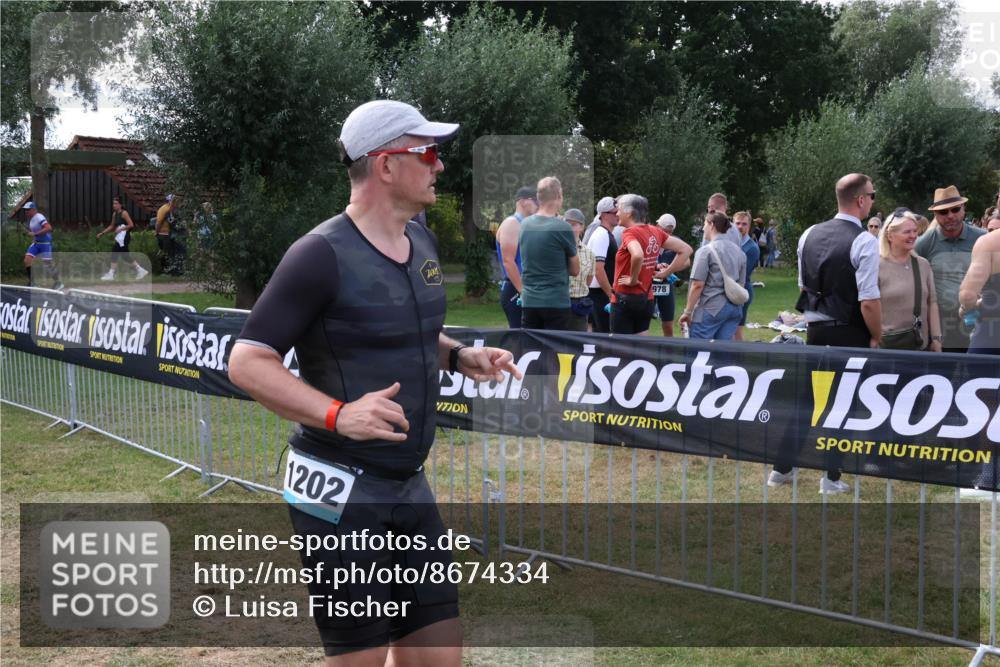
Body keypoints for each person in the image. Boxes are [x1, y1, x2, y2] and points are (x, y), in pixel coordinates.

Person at [228, 100, 520, 666]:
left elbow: (401, 327)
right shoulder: (318, 254)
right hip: (336, 491)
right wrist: (339, 413)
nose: (439, 166)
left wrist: (460, 356)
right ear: (385, 165)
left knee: (438, 654)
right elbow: (248, 360)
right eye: (428, 152)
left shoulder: (423, 242)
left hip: (407, 483)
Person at [770, 173, 882, 495]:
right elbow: (870, 301)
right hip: (850, 331)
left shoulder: (809, 234)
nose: (873, 200)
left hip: (817, 329)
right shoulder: (864, 241)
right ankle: (830, 478)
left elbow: (804, 286)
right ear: (861, 200)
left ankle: (781, 469)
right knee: (842, 406)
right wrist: (876, 335)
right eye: (872, 195)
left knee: (808, 402)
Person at [915, 185, 987, 352]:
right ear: (935, 215)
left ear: (963, 209)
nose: (950, 216)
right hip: (941, 325)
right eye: (943, 212)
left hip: (978, 321)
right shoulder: (924, 243)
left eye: (955, 209)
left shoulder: (982, 238)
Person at [612, 194, 690, 335]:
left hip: (624, 299)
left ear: (629, 213)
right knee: (641, 346)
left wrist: (633, 279)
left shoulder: (629, 233)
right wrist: (665, 273)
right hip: (646, 299)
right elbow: (686, 250)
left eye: (619, 210)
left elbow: (638, 255)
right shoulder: (655, 231)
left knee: (621, 350)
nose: (616, 213)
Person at [518, 176, 579, 330]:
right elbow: (575, 270)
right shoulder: (563, 227)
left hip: (530, 300)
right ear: (559, 196)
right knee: (554, 352)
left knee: (530, 351)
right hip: (555, 302)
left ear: (538, 197)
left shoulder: (524, 224)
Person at [877, 208, 942, 352]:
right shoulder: (876, 265)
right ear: (890, 235)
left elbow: (932, 303)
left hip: (920, 346)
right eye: (907, 232)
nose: (913, 236)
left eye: (915, 231)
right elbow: (868, 306)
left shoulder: (923, 264)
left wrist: (936, 339)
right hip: (887, 348)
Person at [678, 211, 746, 340]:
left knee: (697, 352)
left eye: (704, 224)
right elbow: (741, 284)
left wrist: (688, 312)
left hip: (711, 307)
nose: (703, 228)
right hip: (734, 308)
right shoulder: (740, 253)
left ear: (712, 225)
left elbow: (697, 285)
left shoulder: (705, 251)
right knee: (722, 355)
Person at [494, 186, 537, 328]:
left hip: (526, 287)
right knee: (520, 339)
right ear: (524, 201)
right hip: (515, 289)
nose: (539, 206)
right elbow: (508, 261)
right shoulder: (512, 223)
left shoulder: (525, 224)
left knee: (533, 338)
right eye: (536, 202)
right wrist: (523, 291)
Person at [959, 223, 1000, 354]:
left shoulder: (989, 242)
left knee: (978, 372)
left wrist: (966, 308)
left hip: (992, 333)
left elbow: (967, 295)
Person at [585, 197, 619, 333]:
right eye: (614, 212)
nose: (618, 215)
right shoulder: (601, 235)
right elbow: (598, 269)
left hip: (600, 292)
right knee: (604, 337)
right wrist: (611, 295)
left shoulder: (605, 234)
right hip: (600, 294)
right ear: (604, 215)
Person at [97, 197, 149, 281]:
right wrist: (102, 233)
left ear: (120, 205)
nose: (114, 205)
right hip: (119, 237)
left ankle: (111, 274)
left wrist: (121, 229)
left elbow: (131, 225)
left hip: (125, 237)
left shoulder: (124, 213)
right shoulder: (115, 214)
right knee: (125, 256)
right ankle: (140, 270)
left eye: (116, 203)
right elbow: (111, 226)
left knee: (115, 252)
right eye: (113, 203)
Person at [651, 213, 684, 337]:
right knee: (642, 320)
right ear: (657, 226)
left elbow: (686, 261)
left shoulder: (675, 242)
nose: (667, 235)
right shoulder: (649, 239)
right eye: (664, 231)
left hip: (666, 284)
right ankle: (641, 350)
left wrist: (669, 269)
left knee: (667, 321)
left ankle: (668, 350)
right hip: (648, 284)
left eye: (670, 232)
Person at [565, 208, 595, 331]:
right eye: (567, 224)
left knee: (577, 344)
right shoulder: (557, 249)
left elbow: (589, 279)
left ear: (582, 227)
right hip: (559, 302)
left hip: (579, 304)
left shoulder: (589, 253)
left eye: (574, 225)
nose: (570, 228)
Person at [733, 211, 760, 341]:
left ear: (749, 226)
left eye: (744, 224)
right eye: (737, 223)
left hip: (742, 291)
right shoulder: (731, 242)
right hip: (731, 289)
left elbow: (741, 275)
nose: (740, 226)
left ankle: (738, 359)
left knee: (736, 330)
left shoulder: (752, 248)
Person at [22, 201, 63, 289]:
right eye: (25, 210)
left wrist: (35, 234)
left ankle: (58, 282)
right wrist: (33, 235)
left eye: (28, 210)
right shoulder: (32, 219)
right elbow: (36, 233)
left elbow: (48, 228)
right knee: (27, 260)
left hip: (45, 244)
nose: (26, 212)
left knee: (47, 263)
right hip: (36, 244)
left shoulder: (39, 217)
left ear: (33, 209)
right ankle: (32, 283)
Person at [155, 194, 181, 275]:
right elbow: (158, 222)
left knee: (171, 252)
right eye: (174, 200)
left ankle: (172, 270)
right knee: (166, 252)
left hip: (170, 234)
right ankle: (164, 270)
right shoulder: (164, 209)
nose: (176, 202)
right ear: (170, 201)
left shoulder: (173, 209)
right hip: (163, 234)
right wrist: (157, 232)